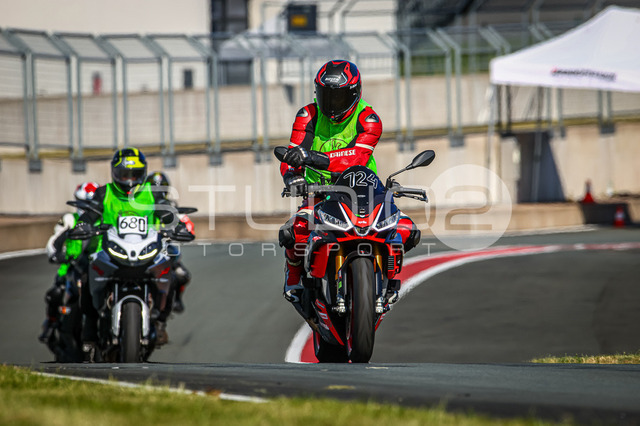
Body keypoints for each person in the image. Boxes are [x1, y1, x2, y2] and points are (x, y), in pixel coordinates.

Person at [278, 60, 420, 308]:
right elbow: (292, 154)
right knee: (294, 231)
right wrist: (292, 176)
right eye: (326, 95)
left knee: (408, 230)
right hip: (318, 193)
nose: (332, 103)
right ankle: (293, 280)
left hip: (364, 191)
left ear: (355, 93)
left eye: (339, 96)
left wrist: (311, 157)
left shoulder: (369, 118)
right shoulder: (307, 115)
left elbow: (356, 156)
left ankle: (389, 280)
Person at [76, 147, 180, 357]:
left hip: (146, 249)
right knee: (86, 276)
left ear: (142, 173)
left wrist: (179, 226)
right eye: (124, 174)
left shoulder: (152, 193)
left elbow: (167, 212)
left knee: (173, 274)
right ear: (115, 173)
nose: (129, 179)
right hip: (109, 250)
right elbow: (90, 212)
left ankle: (160, 321)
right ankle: (90, 330)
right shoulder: (104, 192)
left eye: (134, 174)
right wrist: (82, 225)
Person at [39, 182, 100, 347]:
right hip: (72, 266)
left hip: (98, 268)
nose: (86, 208)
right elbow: (54, 242)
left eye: (91, 204)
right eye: (83, 203)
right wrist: (56, 254)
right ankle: (51, 323)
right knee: (55, 293)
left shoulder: (106, 221)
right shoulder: (70, 220)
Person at [145, 171, 194, 313]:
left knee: (182, 275)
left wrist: (184, 229)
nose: (157, 191)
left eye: (161, 188)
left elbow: (185, 222)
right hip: (141, 245)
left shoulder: (170, 205)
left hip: (164, 247)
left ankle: (175, 299)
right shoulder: (139, 205)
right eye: (154, 187)